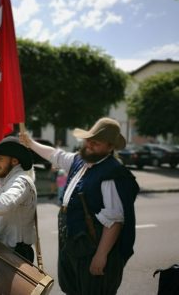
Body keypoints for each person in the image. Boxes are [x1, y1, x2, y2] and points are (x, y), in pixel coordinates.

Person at [20, 117, 139, 295]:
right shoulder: (79, 160)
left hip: (93, 249)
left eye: (96, 143)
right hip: (73, 246)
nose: (89, 145)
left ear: (110, 147)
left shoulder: (112, 173)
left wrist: (101, 256)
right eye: (88, 140)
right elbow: (55, 155)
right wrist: (31, 143)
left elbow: (115, 221)